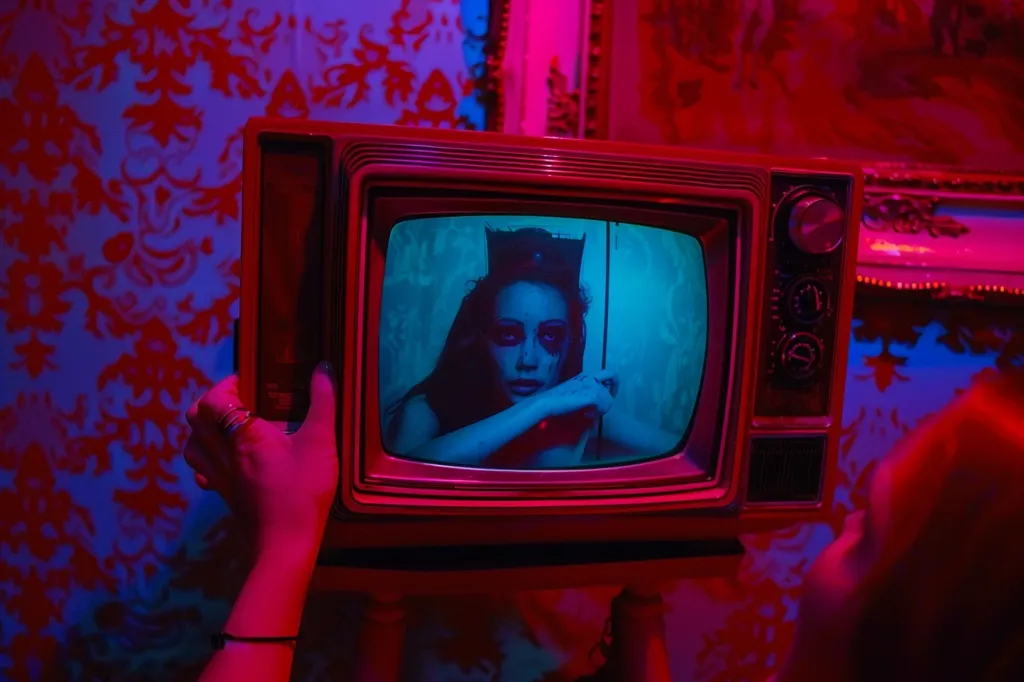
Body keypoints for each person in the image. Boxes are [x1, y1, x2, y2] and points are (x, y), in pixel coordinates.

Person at [185, 365, 1024, 682]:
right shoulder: (435, 408)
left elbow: (677, 450)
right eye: (506, 337)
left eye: (864, 535)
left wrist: (284, 549)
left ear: (916, 631)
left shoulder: (583, 419)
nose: (827, 541)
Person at [383, 226, 683, 469]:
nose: (528, 359)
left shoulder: (579, 413)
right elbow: (399, 477)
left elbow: (687, 456)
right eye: (508, 335)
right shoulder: (425, 411)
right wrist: (540, 406)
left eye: (550, 336)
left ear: (570, 343)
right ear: (483, 338)